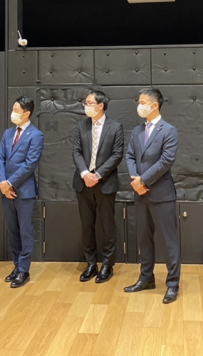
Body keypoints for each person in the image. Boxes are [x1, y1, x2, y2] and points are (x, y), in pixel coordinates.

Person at [123, 87, 181, 304]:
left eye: (142, 102)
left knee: (168, 241)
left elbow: (166, 161)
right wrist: (135, 179)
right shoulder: (137, 131)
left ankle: (173, 284)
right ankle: (146, 278)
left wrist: (143, 180)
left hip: (161, 194)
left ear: (155, 105)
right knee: (144, 238)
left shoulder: (169, 130)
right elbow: (130, 156)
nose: (139, 105)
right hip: (140, 194)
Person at [72, 90, 124, 284]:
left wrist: (98, 174)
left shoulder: (115, 127)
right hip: (83, 183)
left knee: (107, 226)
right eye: (86, 103)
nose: (86, 106)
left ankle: (107, 265)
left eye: (89, 103)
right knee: (87, 226)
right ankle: (91, 264)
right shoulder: (81, 126)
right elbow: (76, 152)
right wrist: (85, 174)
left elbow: (117, 154)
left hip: (105, 183)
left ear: (101, 105)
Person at [0, 95, 44, 289]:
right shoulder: (8, 133)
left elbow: (30, 164)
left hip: (24, 191)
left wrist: (10, 183)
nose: (13, 113)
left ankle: (24, 270)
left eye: (17, 110)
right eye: (13, 109)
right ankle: (17, 265)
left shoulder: (36, 135)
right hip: (5, 191)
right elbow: (1, 158)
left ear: (27, 113)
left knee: (25, 231)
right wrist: (3, 183)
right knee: (12, 230)